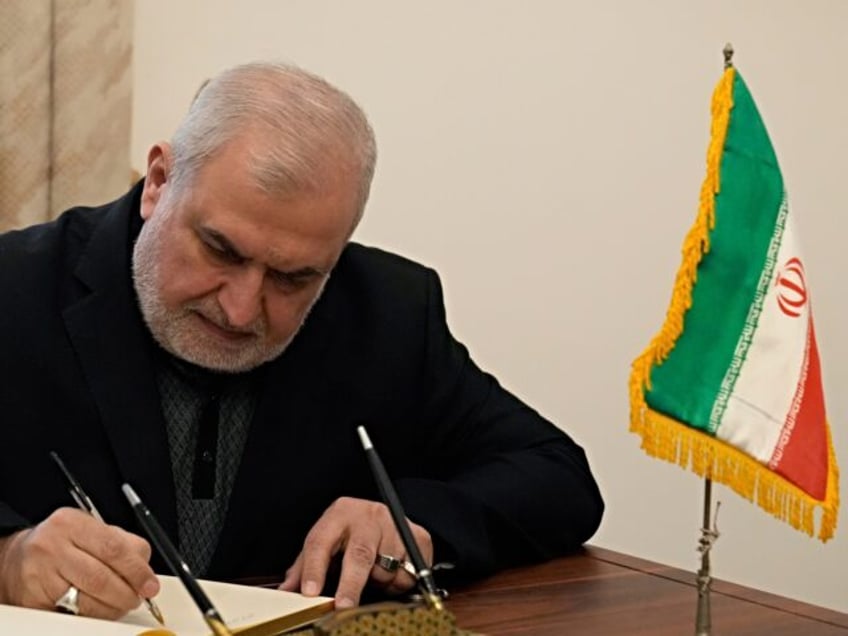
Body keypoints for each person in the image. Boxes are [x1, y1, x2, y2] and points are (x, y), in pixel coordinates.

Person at [0, 62, 603, 620]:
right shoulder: (16, 288)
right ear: (159, 181)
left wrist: (415, 522)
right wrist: (8, 559)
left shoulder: (386, 312)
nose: (240, 310)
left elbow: (556, 475)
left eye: (294, 278)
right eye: (220, 249)